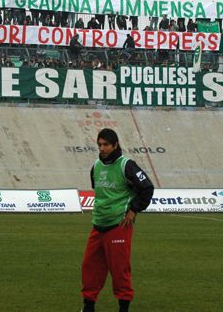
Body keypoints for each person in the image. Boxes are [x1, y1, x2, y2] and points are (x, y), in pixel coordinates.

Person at [81, 129, 154, 312]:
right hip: (98, 224)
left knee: (119, 270)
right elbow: (98, 191)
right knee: (90, 268)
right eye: (100, 144)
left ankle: (123, 308)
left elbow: (147, 188)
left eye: (106, 144)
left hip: (119, 225)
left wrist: (134, 210)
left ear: (115, 145)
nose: (102, 148)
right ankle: (88, 307)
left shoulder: (126, 165)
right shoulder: (96, 166)